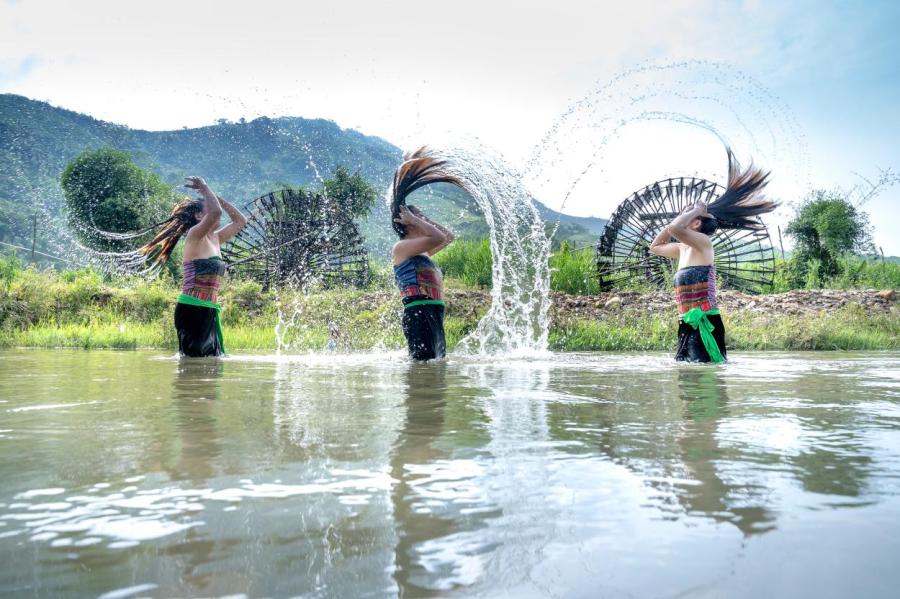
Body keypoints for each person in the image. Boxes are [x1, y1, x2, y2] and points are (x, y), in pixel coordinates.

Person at [649, 149, 777, 363]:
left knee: (706, 378)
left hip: (705, 323)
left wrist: (694, 210)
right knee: (688, 382)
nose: (684, 215)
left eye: (689, 215)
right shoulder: (682, 248)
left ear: (697, 222)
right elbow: (655, 246)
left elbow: (674, 228)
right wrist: (689, 212)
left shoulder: (704, 244)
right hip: (686, 323)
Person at [139, 176, 247, 357]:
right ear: (198, 216)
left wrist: (218, 199)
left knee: (212, 365)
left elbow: (240, 222)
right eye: (211, 207)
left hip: (209, 309)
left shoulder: (216, 238)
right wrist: (205, 188)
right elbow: (216, 214)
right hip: (192, 310)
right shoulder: (195, 235)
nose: (216, 209)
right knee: (192, 363)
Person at [390, 148, 460, 361]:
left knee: (436, 364)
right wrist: (414, 219)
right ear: (408, 221)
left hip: (434, 312)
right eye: (420, 216)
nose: (425, 220)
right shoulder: (401, 248)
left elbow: (447, 236)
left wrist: (419, 218)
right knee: (424, 365)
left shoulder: (424, 251)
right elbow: (439, 237)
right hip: (418, 312)